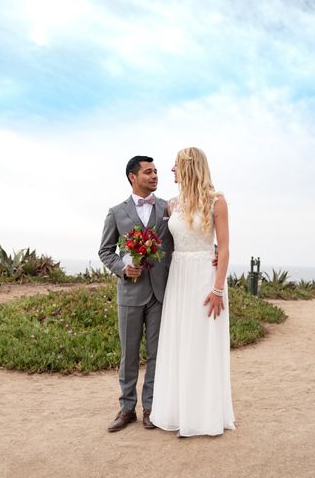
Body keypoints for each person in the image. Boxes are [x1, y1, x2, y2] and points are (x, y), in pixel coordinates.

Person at [150, 147, 235, 437]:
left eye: (175, 165)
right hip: (179, 277)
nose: (171, 170)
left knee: (201, 342)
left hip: (203, 277)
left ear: (188, 167)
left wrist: (217, 288)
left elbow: (223, 247)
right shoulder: (172, 205)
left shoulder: (217, 202)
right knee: (179, 341)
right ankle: (179, 411)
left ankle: (203, 416)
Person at [98, 156, 174, 432]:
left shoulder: (169, 207)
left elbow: (182, 239)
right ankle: (127, 408)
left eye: (156, 172)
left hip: (160, 293)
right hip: (130, 293)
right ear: (133, 177)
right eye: (148, 172)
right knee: (128, 354)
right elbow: (105, 251)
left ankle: (151, 408)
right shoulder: (116, 212)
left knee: (157, 353)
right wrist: (122, 268)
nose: (155, 176)